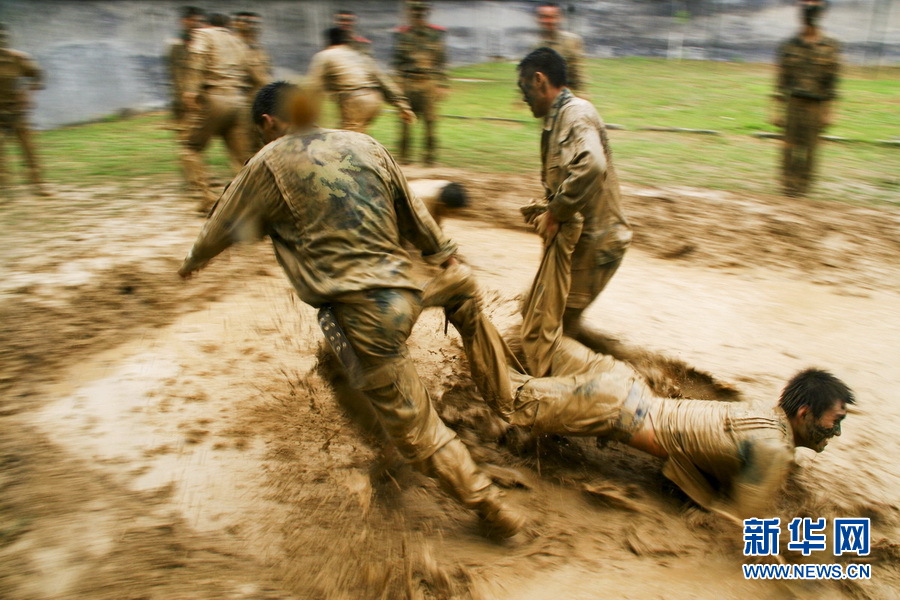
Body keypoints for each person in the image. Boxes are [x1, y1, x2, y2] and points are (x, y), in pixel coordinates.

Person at [177, 81, 526, 539]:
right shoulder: (365, 143)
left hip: (365, 319)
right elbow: (414, 211)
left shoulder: (268, 161)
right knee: (333, 364)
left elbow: (221, 224)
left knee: (418, 427)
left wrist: (192, 261)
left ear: (267, 123)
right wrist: (443, 252)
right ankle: (467, 357)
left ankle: (492, 509)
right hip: (409, 289)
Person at [435, 220, 854, 521]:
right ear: (804, 414)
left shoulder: (764, 412)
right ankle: (466, 305)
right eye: (834, 422)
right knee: (509, 399)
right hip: (617, 407)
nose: (836, 432)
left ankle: (562, 239)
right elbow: (746, 529)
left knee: (539, 338)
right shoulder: (774, 451)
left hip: (625, 383)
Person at [517, 47, 631, 352]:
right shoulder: (560, 119)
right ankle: (633, 364)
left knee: (556, 332)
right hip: (587, 243)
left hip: (596, 244)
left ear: (539, 80)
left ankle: (636, 374)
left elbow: (592, 165)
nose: (523, 97)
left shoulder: (575, 114)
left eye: (524, 87)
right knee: (541, 316)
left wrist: (555, 212)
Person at [181, 12, 256, 212]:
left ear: (208, 23)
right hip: (238, 100)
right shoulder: (239, 41)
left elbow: (197, 60)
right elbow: (254, 73)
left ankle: (206, 197)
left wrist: (191, 90)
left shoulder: (204, 35)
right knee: (241, 158)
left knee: (191, 148)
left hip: (215, 97)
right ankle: (252, 200)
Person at [773, 0, 841, 197]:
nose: (809, 13)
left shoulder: (831, 46)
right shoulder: (788, 45)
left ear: (822, 13)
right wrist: (776, 111)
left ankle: (803, 190)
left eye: (814, 8)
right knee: (789, 147)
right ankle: (787, 188)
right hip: (793, 103)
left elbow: (833, 83)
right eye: (806, 8)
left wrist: (829, 113)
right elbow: (780, 82)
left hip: (816, 105)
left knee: (810, 150)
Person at [307, 27, 415, 134]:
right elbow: (382, 80)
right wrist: (402, 105)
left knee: (348, 140)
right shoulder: (358, 55)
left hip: (355, 100)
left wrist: (306, 114)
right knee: (358, 134)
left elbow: (313, 85)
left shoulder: (325, 55)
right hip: (374, 99)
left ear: (327, 41)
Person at [393, 0, 447, 166]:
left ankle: (429, 158)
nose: (418, 14)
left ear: (426, 12)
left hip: (428, 82)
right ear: (410, 12)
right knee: (405, 121)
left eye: (421, 11)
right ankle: (404, 157)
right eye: (415, 11)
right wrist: (399, 85)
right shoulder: (403, 35)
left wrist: (443, 85)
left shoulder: (435, 34)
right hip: (408, 83)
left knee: (430, 121)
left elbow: (441, 61)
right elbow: (397, 62)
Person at [0, 22, 49, 197]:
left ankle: (38, 184)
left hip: (16, 112)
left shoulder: (18, 59)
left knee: (28, 149)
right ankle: (4, 190)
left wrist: (26, 92)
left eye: (3, 37)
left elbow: (39, 76)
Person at [533, 2, 587, 94]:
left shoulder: (571, 41)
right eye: (544, 17)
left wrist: (582, 94)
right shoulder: (536, 46)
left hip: (567, 96)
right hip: (544, 100)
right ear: (539, 19)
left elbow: (578, 73)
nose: (548, 21)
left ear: (559, 18)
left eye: (551, 17)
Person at [167, 7, 206, 128]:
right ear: (184, 21)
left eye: (199, 21)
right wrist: (182, 97)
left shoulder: (203, 44)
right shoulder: (176, 45)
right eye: (193, 20)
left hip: (201, 97)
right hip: (183, 97)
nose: (196, 24)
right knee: (186, 135)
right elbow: (175, 74)